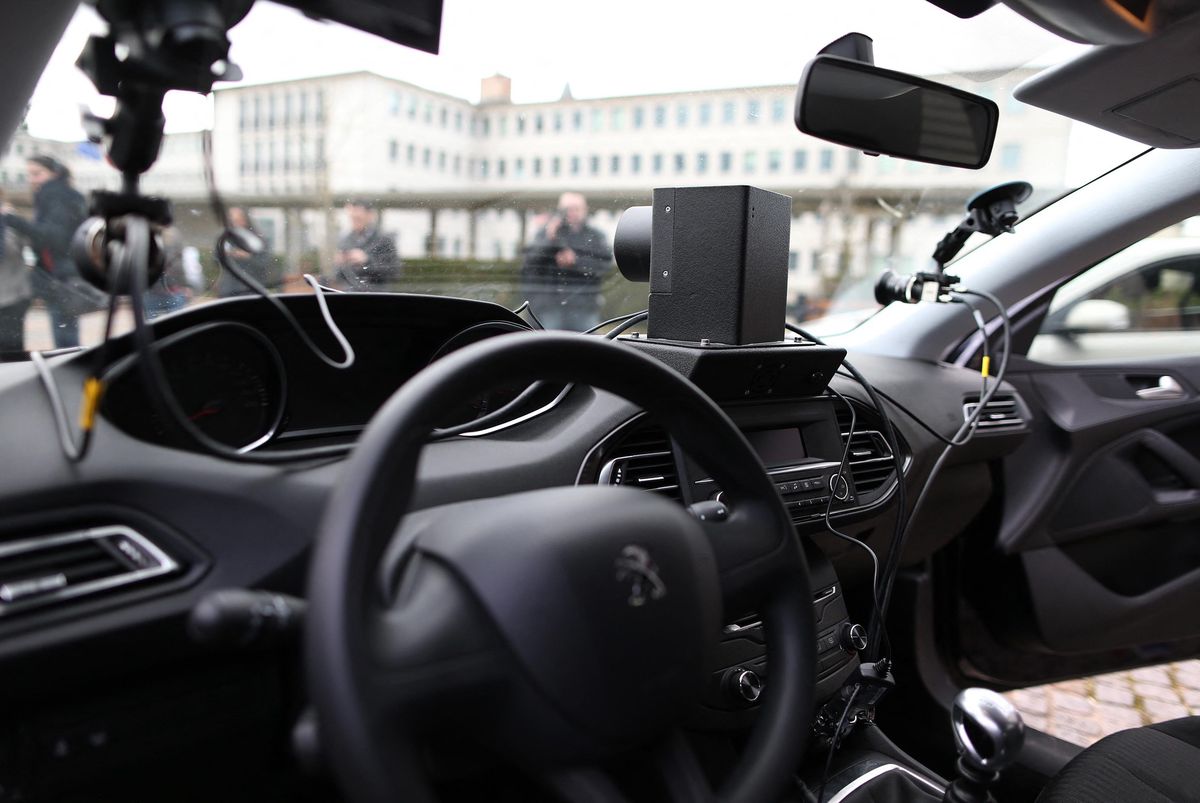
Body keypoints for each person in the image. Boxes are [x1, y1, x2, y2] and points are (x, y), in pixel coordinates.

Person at [2, 155, 93, 348]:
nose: (32, 180)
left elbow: (52, 237)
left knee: (65, 336)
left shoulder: (55, 195)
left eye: (37, 174)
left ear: (53, 173)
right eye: (29, 175)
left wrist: (12, 219)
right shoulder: (64, 194)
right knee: (66, 331)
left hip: (60, 274)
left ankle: (72, 365)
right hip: (64, 271)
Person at [520, 192, 613, 331]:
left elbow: (604, 264)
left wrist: (576, 262)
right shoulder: (546, 233)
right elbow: (530, 263)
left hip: (584, 306)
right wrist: (549, 239)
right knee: (552, 343)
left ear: (585, 210)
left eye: (576, 208)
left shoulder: (595, 236)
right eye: (567, 209)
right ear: (559, 210)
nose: (571, 213)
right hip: (550, 306)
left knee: (588, 344)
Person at [333, 199, 401, 290]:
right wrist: (340, 263)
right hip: (351, 294)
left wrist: (366, 260)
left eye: (358, 218)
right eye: (352, 218)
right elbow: (339, 276)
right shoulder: (345, 240)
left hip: (376, 294)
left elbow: (394, 272)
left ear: (370, 215)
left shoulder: (384, 240)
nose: (354, 222)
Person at [217, 207, 277, 297]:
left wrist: (247, 257)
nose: (234, 224)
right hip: (229, 290)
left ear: (245, 220)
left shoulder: (258, 240)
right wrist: (226, 254)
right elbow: (216, 259)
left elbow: (265, 262)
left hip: (251, 288)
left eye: (237, 220)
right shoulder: (225, 239)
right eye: (231, 221)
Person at [0, 191, 31, 353]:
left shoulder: (10, 220)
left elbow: (30, 242)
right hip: (11, 293)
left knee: (12, 350)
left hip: (12, 296)